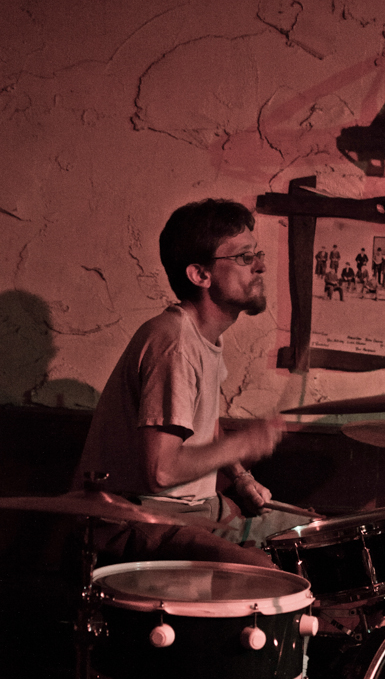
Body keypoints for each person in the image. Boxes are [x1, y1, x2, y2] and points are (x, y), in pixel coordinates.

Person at [76, 199, 312, 568]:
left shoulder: (202, 339)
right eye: (245, 257)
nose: (261, 266)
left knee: (313, 533)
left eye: (257, 254)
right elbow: (161, 472)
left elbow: (201, 428)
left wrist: (240, 476)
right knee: (268, 572)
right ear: (200, 275)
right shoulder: (174, 343)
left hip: (195, 510)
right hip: (142, 520)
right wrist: (243, 443)